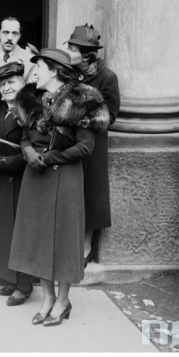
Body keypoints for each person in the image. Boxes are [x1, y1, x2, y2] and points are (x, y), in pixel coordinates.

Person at [10, 48, 108, 327]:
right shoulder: (31, 99)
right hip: (36, 177)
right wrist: (28, 151)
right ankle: (48, 298)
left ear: (53, 70)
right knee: (39, 238)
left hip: (65, 177)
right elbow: (25, 137)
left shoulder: (82, 100)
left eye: (38, 67)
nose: (34, 72)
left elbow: (85, 147)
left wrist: (50, 157)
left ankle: (64, 301)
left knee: (63, 240)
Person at [63, 23, 120, 265]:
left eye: (72, 49)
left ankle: (86, 246)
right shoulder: (67, 73)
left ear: (87, 54)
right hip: (69, 141)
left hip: (93, 144)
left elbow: (111, 115)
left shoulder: (107, 77)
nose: (68, 53)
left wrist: (81, 119)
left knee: (91, 193)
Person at [0, 62, 34, 306]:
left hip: (23, 179)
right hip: (2, 179)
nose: (6, 88)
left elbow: (32, 148)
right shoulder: (1, 112)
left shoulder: (30, 111)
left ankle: (24, 286)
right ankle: (12, 278)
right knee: (5, 229)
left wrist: (7, 163)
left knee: (20, 232)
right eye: (2, 84)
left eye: (11, 82)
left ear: (22, 84)